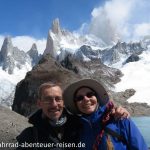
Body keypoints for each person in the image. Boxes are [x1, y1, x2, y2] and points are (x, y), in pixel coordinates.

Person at [16, 82, 130, 150]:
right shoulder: (29, 136)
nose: (54, 104)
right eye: (48, 100)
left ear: (63, 101)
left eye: (58, 99)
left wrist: (114, 111)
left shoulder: (79, 125)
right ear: (39, 103)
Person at [63, 78, 148, 150]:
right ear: (76, 104)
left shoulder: (119, 118)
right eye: (79, 98)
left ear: (97, 98)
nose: (86, 99)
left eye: (90, 94)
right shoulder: (75, 128)